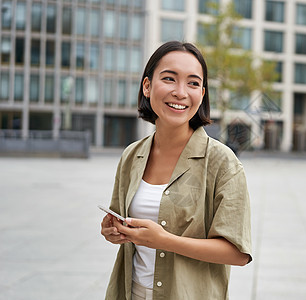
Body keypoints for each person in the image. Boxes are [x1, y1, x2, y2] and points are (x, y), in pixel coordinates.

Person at [100, 41, 252, 300]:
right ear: (147, 86)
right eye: (169, 79)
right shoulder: (131, 156)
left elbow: (237, 253)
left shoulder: (222, 162)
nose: (180, 92)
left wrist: (165, 241)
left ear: (202, 94)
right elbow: (123, 224)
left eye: (193, 83)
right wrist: (114, 231)